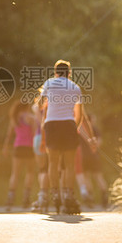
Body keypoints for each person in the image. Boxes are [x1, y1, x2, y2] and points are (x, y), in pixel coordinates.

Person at [41, 59, 84, 214]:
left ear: (55, 72)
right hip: (68, 125)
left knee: (53, 162)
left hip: (52, 125)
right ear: (69, 73)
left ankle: (55, 194)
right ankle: (68, 195)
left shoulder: (49, 83)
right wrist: (75, 127)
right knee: (69, 164)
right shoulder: (75, 87)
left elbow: (41, 105)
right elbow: (79, 115)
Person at [2, 100, 37, 211]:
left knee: (15, 174)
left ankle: (10, 199)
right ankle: (26, 198)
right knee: (30, 172)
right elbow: (36, 133)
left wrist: (6, 147)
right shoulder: (30, 118)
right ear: (27, 107)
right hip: (29, 147)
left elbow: (9, 135)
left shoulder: (14, 118)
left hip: (18, 147)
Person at [30, 93, 49, 213]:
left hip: (38, 137)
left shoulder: (36, 108)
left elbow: (37, 113)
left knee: (42, 169)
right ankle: (57, 195)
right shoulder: (51, 108)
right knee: (51, 168)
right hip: (50, 138)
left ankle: (42, 197)